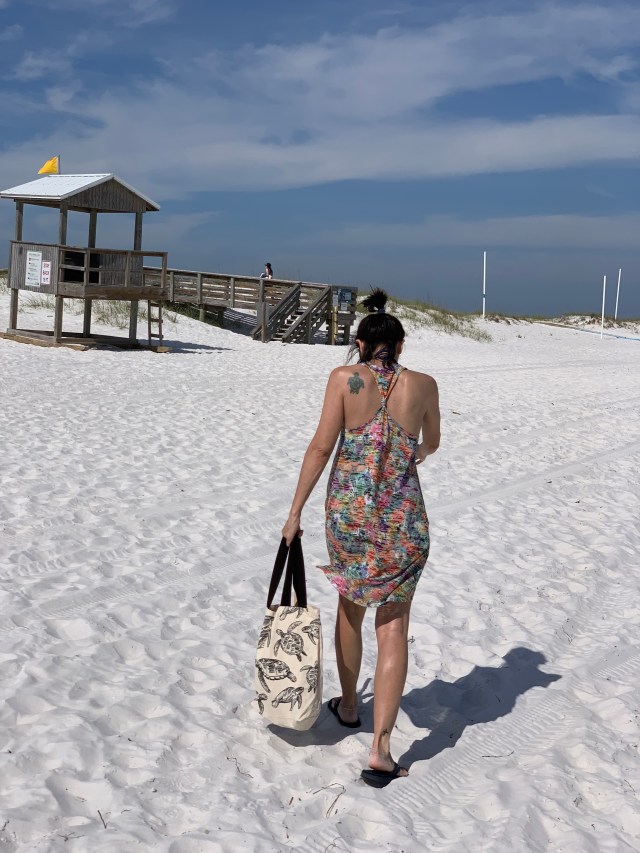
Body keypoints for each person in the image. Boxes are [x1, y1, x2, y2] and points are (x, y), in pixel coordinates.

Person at [282, 287, 440, 787]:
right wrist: (413, 454)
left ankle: (349, 706)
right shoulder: (423, 384)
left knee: (350, 609)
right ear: (401, 344)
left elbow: (321, 447)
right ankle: (381, 749)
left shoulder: (343, 379)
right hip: (403, 521)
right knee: (393, 624)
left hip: (349, 517)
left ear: (360, 343)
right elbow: (432, 442)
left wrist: (294, 512)